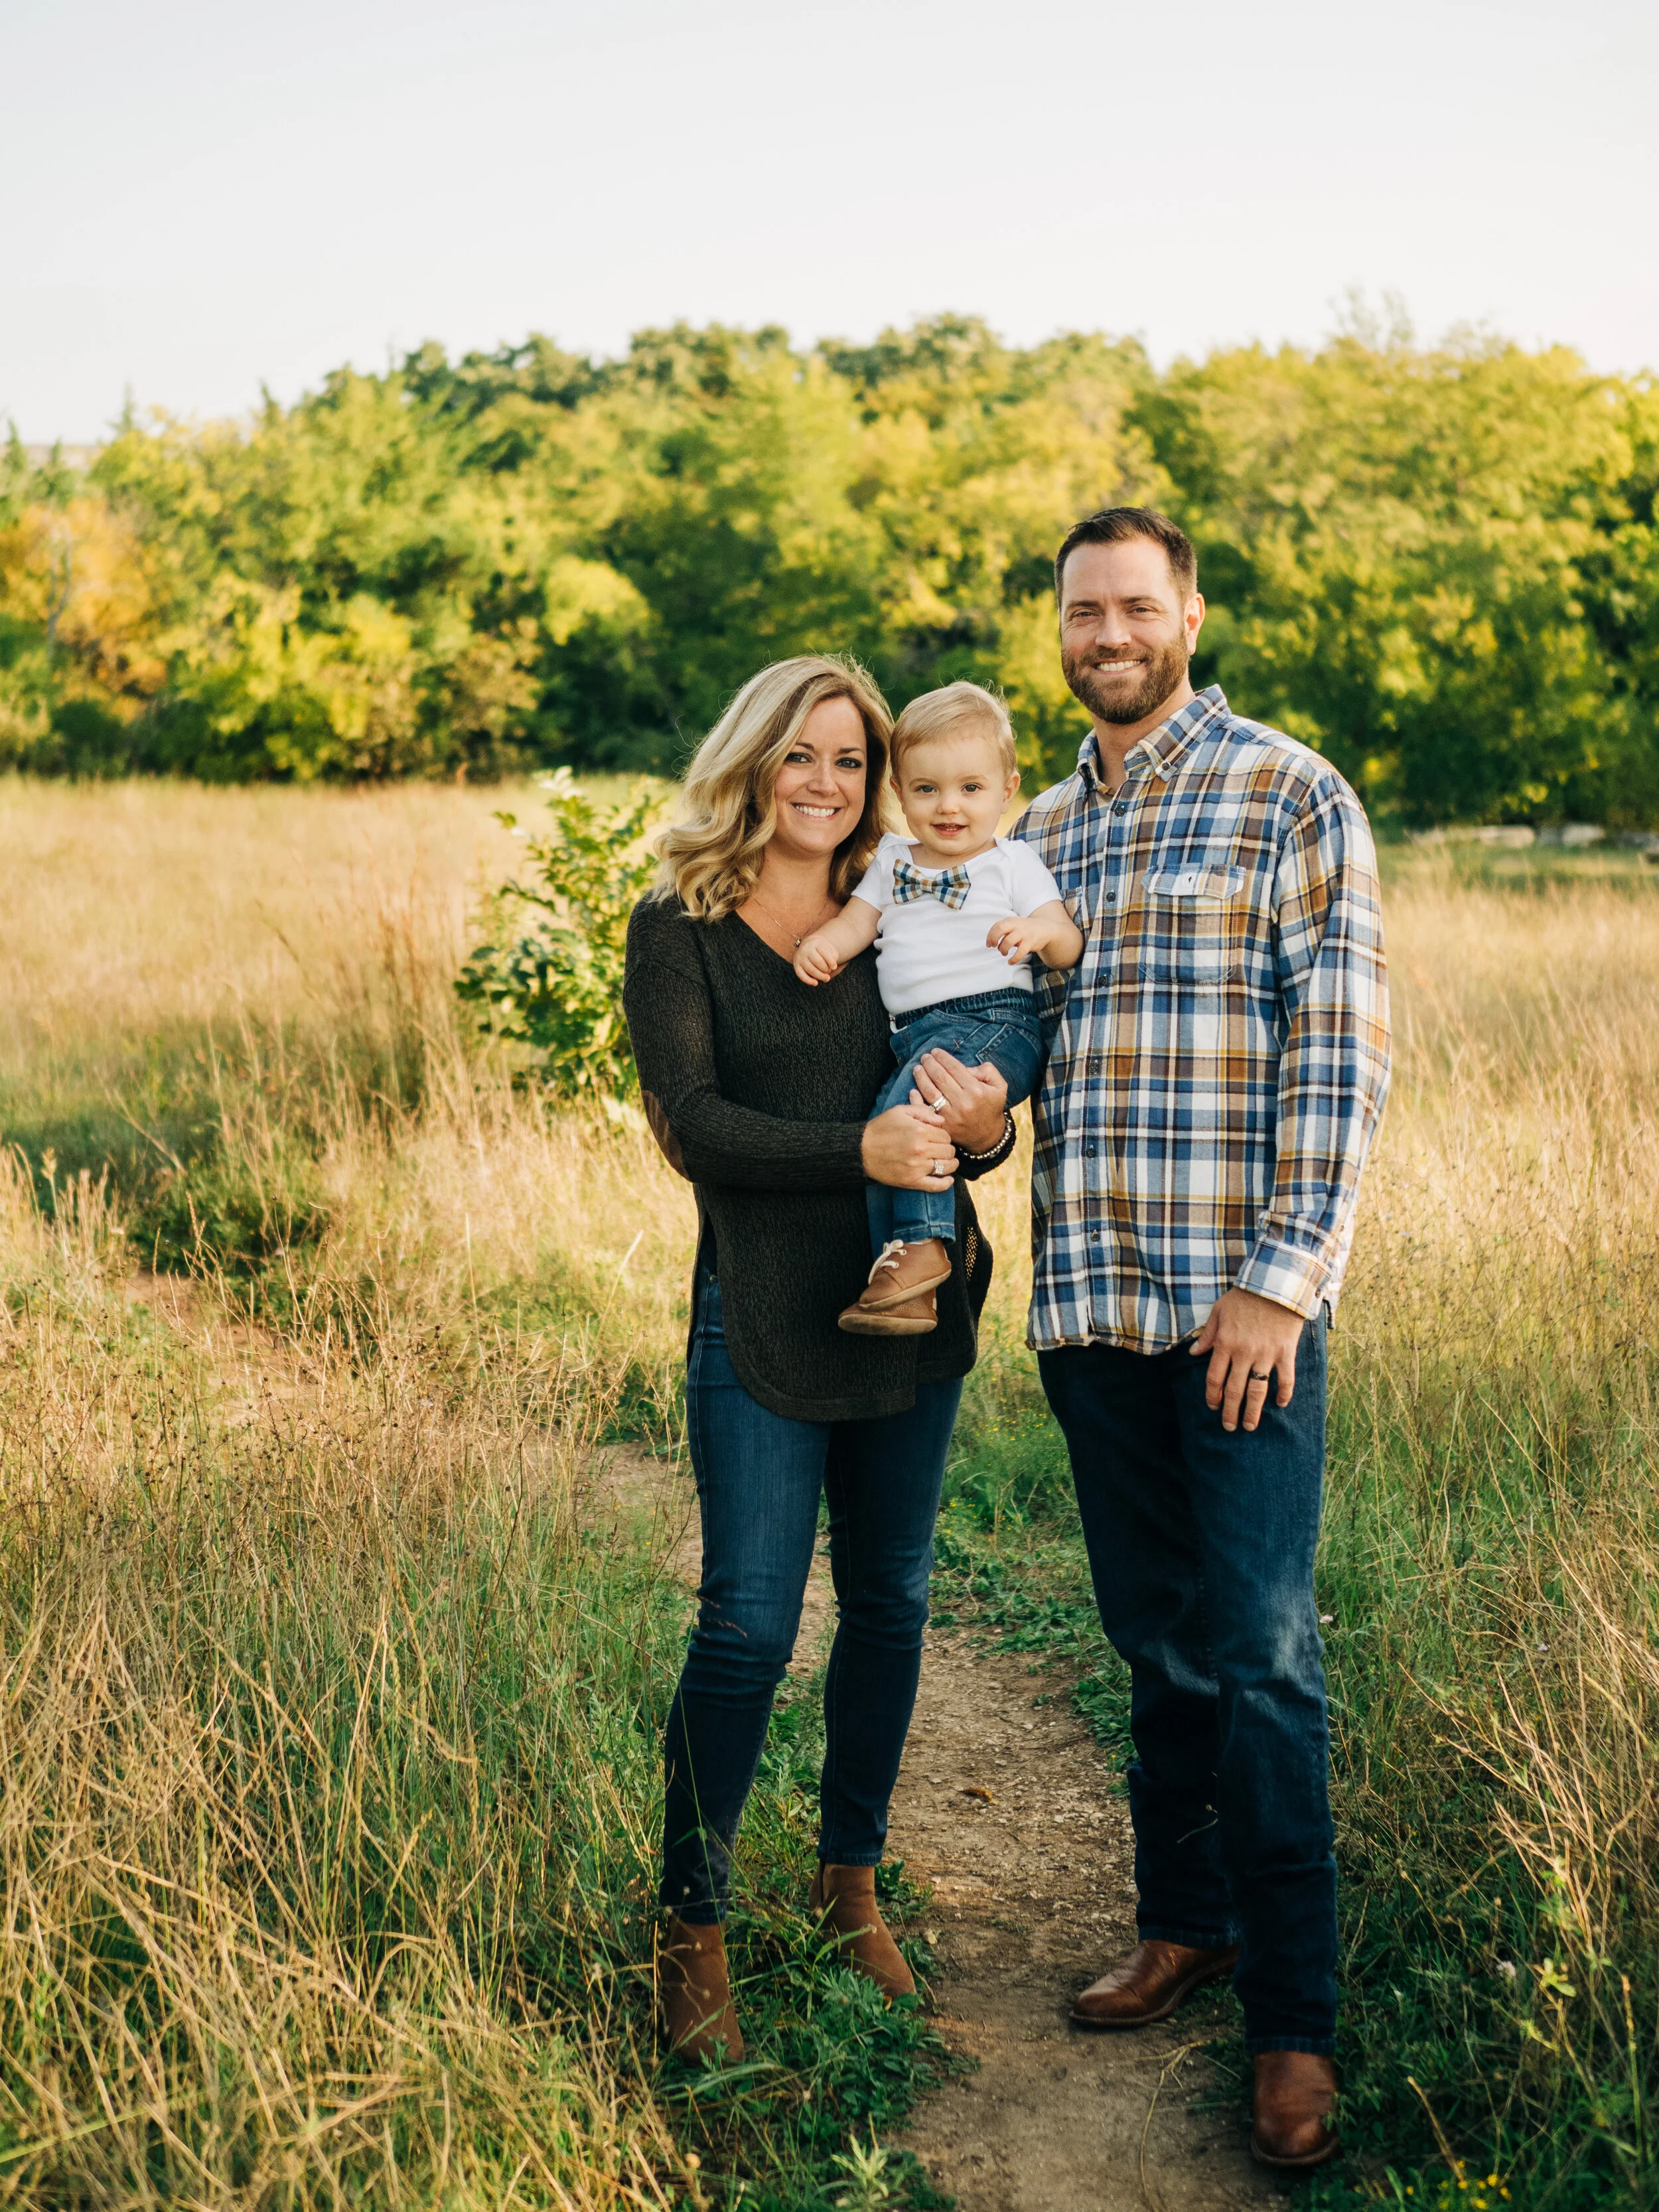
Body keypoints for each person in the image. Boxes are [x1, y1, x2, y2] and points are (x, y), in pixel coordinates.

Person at [1011, 508, 1390, 2170]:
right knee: (1154, 1641)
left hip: (1239, 1314)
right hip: (1091, 1303)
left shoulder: (1287, 792)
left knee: (1261, 1652)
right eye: (1081, 611)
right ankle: (1184, 1920)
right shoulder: (1030, 833)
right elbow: (1003, 1042)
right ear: (1059, 627)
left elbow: (1342, 1049)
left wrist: (1280, 1278)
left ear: (1188, 613)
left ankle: (1292, 2022)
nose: (1107, 633)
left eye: (1134, 606)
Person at [622, 654, 1015, 2064]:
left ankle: (849, 1881)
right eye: (802, 753)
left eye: (851, 758)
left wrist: (984, 1130)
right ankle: (691, 1924)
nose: (827, 782)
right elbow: (694, 1122)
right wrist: (856, 1146)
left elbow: (967, 1073)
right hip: (761, 1306)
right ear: (753, 757)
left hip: (913, 1302)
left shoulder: (912, 890)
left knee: (892, 1602)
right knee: (745, 1622)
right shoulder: (680, 921)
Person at [794, 681, 1082, 1336]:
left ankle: (921, 1247)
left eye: (970, 788)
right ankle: (907, 1285)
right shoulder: (893, 861)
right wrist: (823, 946)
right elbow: (857, 924)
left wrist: (1037, 932)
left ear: (1007, 790)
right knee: (888, 1129)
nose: (949, 806)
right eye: (927, 789)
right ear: (899, 790)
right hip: (916, 1034)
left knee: (907, 1119)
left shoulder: (1013, 862)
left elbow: (1067, 943)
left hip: (995, 1023)